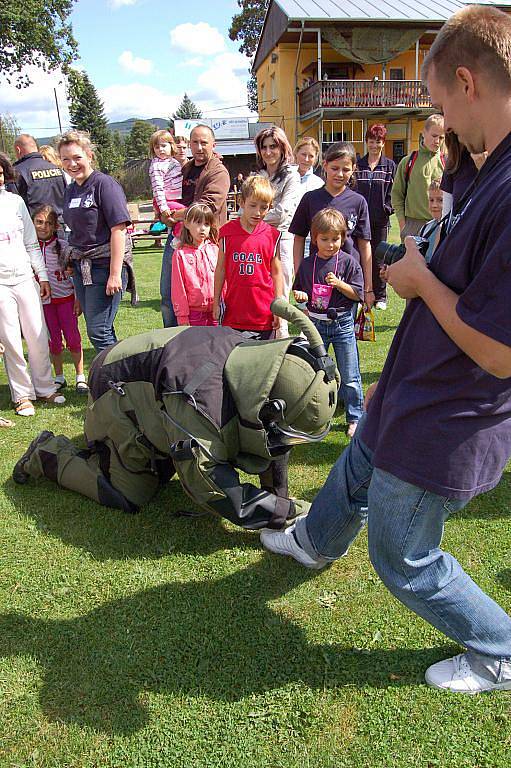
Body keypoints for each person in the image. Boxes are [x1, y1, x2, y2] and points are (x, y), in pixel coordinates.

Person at [260, 4, 511, 694]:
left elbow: (499, 352)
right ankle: (313, 542)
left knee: (402, 554)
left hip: (454, 409)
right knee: (362, 449)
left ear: (466, 81)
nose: (441, 124)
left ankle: (500, 651)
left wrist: (419, 280)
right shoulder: (487, 165)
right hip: (419, 383)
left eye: (437, 105)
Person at [13, 300, 339, 533]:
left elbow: (273, 443)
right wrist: (289, 512)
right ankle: (47, 452)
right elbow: (209, 486)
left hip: (154, 384)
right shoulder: (199, 400)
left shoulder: (262, 366)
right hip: (111, 388)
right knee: (130, 495)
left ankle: (136, 449)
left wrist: (277, 499)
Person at [0, 153, 65, 417]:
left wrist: (43, 277)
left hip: (26, 278)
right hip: (1, 285)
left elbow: (30, 244)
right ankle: (22, 396)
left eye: (1, 172)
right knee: (12, 340)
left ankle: (46, 388)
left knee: (39, 335)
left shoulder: (16, 203)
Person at [58, 130, 135, 353]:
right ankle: (118, 379)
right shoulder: (71, 189)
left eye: (77, 157)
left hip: (104, 266)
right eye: (66, 159)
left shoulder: (105, 185)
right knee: (101, 330)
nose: (72, 164)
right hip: (82, 269)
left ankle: (115, 379)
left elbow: (119, 230)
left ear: (89, 155)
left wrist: (114, 274)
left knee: (99, 331)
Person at [293, 209, 364, 438]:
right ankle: (313, 414)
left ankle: (355, 417)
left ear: (343, 238)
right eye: (325, 239)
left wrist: (339, 285)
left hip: (342, 324)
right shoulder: (307, 264)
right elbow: (299, 289)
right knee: (314, 372)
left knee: (350, 374)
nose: (330, 244)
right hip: (316, 325)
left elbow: (358, 294)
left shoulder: (349, 263)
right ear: (315, 239)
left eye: (335, 239)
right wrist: (301, 296)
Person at [159, 125, 230, 328]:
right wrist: (163, 210)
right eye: (195, 142)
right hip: (178, 238)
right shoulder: (185, 169)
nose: (199, 147)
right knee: (168, 294)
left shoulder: (218, 172)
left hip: (205, 241)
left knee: (206, 295)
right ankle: (171, 341)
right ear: (189, 144)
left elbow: (208, 205)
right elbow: (168, 194)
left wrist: (175, 214)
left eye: (204, 143)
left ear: (213, 144)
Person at [290, 142, 374, 309]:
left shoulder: (358, 202)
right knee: (316, 330)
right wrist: (301, 276)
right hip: (317, 279)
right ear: (325, 165)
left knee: (344, 331)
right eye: (335, 168)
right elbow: (298, 239)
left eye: (346, 169)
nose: (340, 174)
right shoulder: (310, 199)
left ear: (354, 169)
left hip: (348, 282)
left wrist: (368, 288)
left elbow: (365, 246)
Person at [213, 175, 283, 338]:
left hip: (264, 314)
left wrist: (278, 306)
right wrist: (216, 301)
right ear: (242, 202)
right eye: (252, 205)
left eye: (264, 207)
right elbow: (221, 269)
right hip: (234, 312)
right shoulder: (227, 232)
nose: (258, 212)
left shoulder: (272, 235)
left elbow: (277, 273)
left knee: (263, 360)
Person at [32, 205, 88, 394]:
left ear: (56, 226)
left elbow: (76, 276)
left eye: (48, 223)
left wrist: (78, 298)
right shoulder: (29, 248)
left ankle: (80, 377)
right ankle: (59, 376)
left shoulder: (64, 247)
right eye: (39, 222)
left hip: (66, 299)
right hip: (44, 304)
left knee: (73, 338)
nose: (43, 227)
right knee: (53, 341)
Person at [254, 126, 301, 337]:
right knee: (261, 293)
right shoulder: (259, 176)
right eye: (264, 147)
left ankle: (280, 343)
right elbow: (247, 205)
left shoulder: (292, 175)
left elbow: (282, 213)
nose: (268, 152)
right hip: (259, 240)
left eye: (273, 146)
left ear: (282, 148)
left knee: (280, 295)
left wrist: (252, 216)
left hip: (282, 240)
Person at [355, 125, 396, 310]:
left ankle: (381, 296)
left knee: (380, 258)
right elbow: (352, 189)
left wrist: (387, 208)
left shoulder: (389, 166)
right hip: (360, 221)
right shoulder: (359, 165)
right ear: (366, 142)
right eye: (371, 141)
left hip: (380, 221)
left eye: (378, 141)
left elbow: (394, 193)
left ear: (383, 143)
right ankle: (361, 290)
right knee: (360, 256)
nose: (374, 145)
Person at [391, 114, 446, 243]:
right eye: (434, 136)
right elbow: (397, 194)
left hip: (438, 225)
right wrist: (403, 225)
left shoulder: (446, 163)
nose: (437, 141)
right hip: (412, 225)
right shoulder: (408, 162)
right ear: (424, 133)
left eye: (441, 137)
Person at [171, 203, 219, 327]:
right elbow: (178, 288)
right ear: (186, 224)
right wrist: (182, 317)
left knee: (218, 345)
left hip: (216, 311)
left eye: (206, 224)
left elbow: (223, 282)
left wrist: (223, 304)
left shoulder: (216, 250)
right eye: (198, 223)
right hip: (194, 314)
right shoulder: (180, 254)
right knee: (195, 345)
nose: (202, 228)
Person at [13, 134, 67, 222]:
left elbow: (13, 204)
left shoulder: (17, 171)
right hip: (59, 224)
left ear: (18, 150)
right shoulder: (57, 169)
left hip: (35, 228)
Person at [440, 131, 486, 215]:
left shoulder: (498, 158)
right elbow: (446, 214)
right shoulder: (455, 161)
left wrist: (484, 170)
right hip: (460, 226)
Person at [293, 136, 324, 259]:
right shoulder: (286, 177)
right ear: (296, 153)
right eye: (303, 154)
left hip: (307, 238)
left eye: (311, 156)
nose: (306, 159)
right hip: (285, 235)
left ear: (316, 158)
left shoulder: (318, 183)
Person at [148, 130, 185, 233]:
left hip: (176, 199)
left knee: (179, 219)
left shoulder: (174, 162)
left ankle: (177, 235)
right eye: (157, 147)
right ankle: (179, 238)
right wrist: (163, 207)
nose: (161, 149)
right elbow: (157, 188)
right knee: (188, 213)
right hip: (165, 201)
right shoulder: (157, 166)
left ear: (171, 145)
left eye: (163, 146)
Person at [419, 179, 443, 263]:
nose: (434, 205)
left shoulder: (450, 229)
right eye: (431, 200)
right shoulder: (425, 228)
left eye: (440, 200)